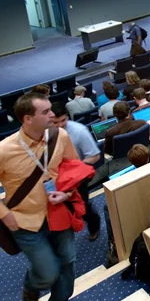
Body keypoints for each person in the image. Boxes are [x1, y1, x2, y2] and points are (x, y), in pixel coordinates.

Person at [0, 93, 84, 301]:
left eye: (50, 109)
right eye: (45, 112)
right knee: (49, 271)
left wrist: (68, 193)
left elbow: (73, 169)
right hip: (24, 222)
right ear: (27, 119)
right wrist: (4, 214)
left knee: (68, 263)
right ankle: (33, 283)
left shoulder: (59, 136)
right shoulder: (2, 151)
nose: (53, 114)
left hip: (58, 213)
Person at [52, 103, 102, 240]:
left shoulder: (79, 131)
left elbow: (95, 155)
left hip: (77, 179)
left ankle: (94, 226)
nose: (60, 125)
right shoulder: (45, 132)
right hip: (55, 178)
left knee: (82, 208)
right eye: (55, 122)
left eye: (63, 120)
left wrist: (74, 170)